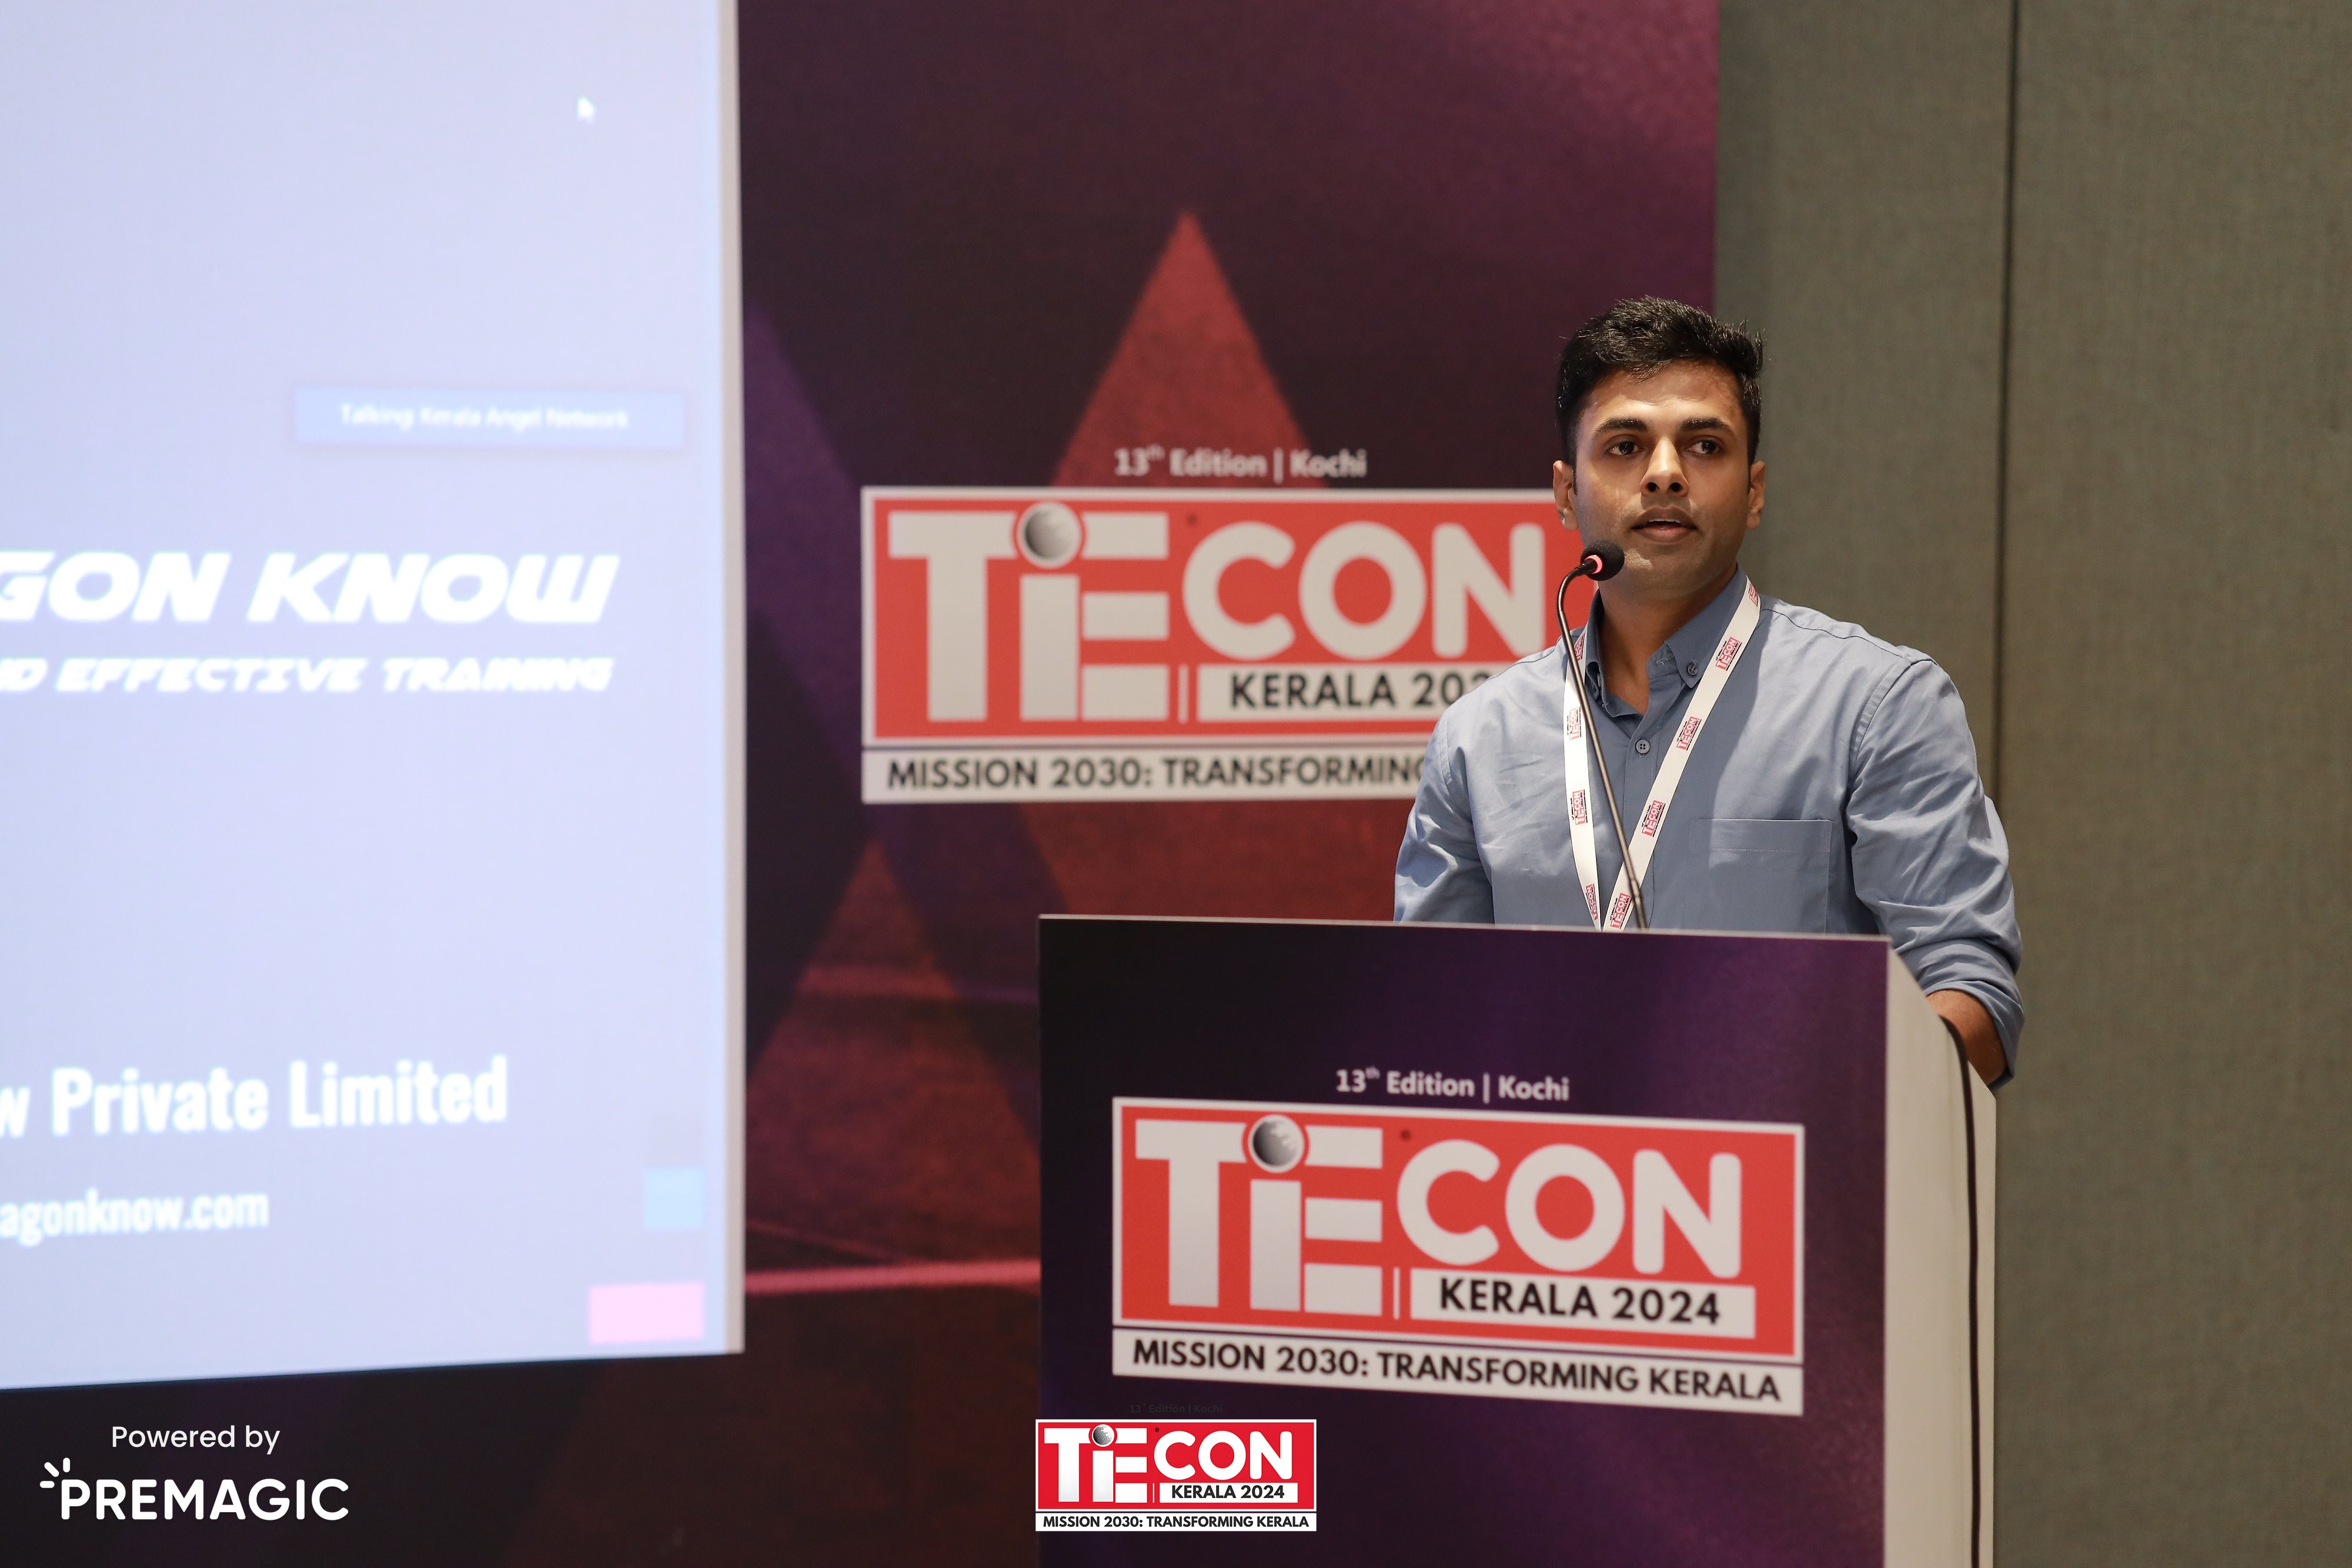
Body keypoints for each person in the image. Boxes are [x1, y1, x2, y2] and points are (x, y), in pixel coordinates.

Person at [1395, 297, 2020, 1085]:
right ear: (1565, 492)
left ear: (1754, 492)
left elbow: (1973, 992)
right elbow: (1427, 1007)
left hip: (1796, 1149)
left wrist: (1819, 1090)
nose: (1665, 472)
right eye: (1625, 446)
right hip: (1551, 1158)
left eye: (1704, 445)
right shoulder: (1479, 739)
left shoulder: (1876, 705)